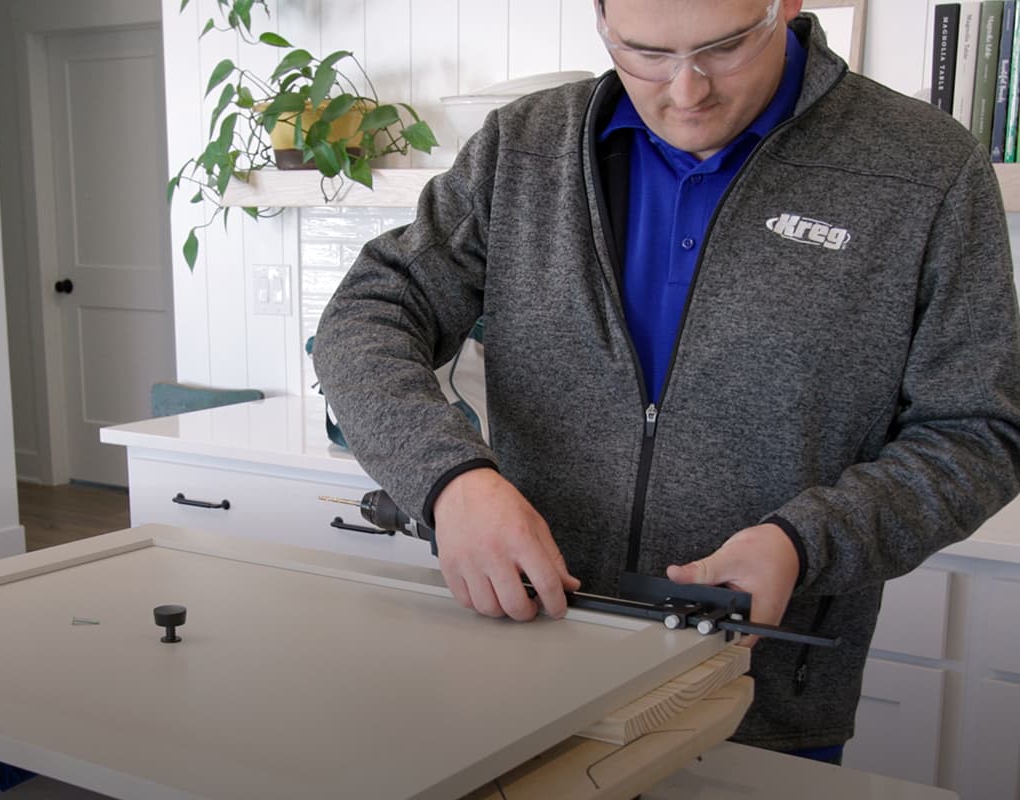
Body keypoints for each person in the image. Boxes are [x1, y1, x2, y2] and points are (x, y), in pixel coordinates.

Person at [312, 0, 1020, 761]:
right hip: (518, 671)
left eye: (724, 48)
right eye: (645, 53)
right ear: (602, 20)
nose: (687, 92)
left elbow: (980, 431)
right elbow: (366, 317)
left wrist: (804, 544)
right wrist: (450, 482)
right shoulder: (523, 148)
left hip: (759, 697)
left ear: (787, 6)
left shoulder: (924, 169)